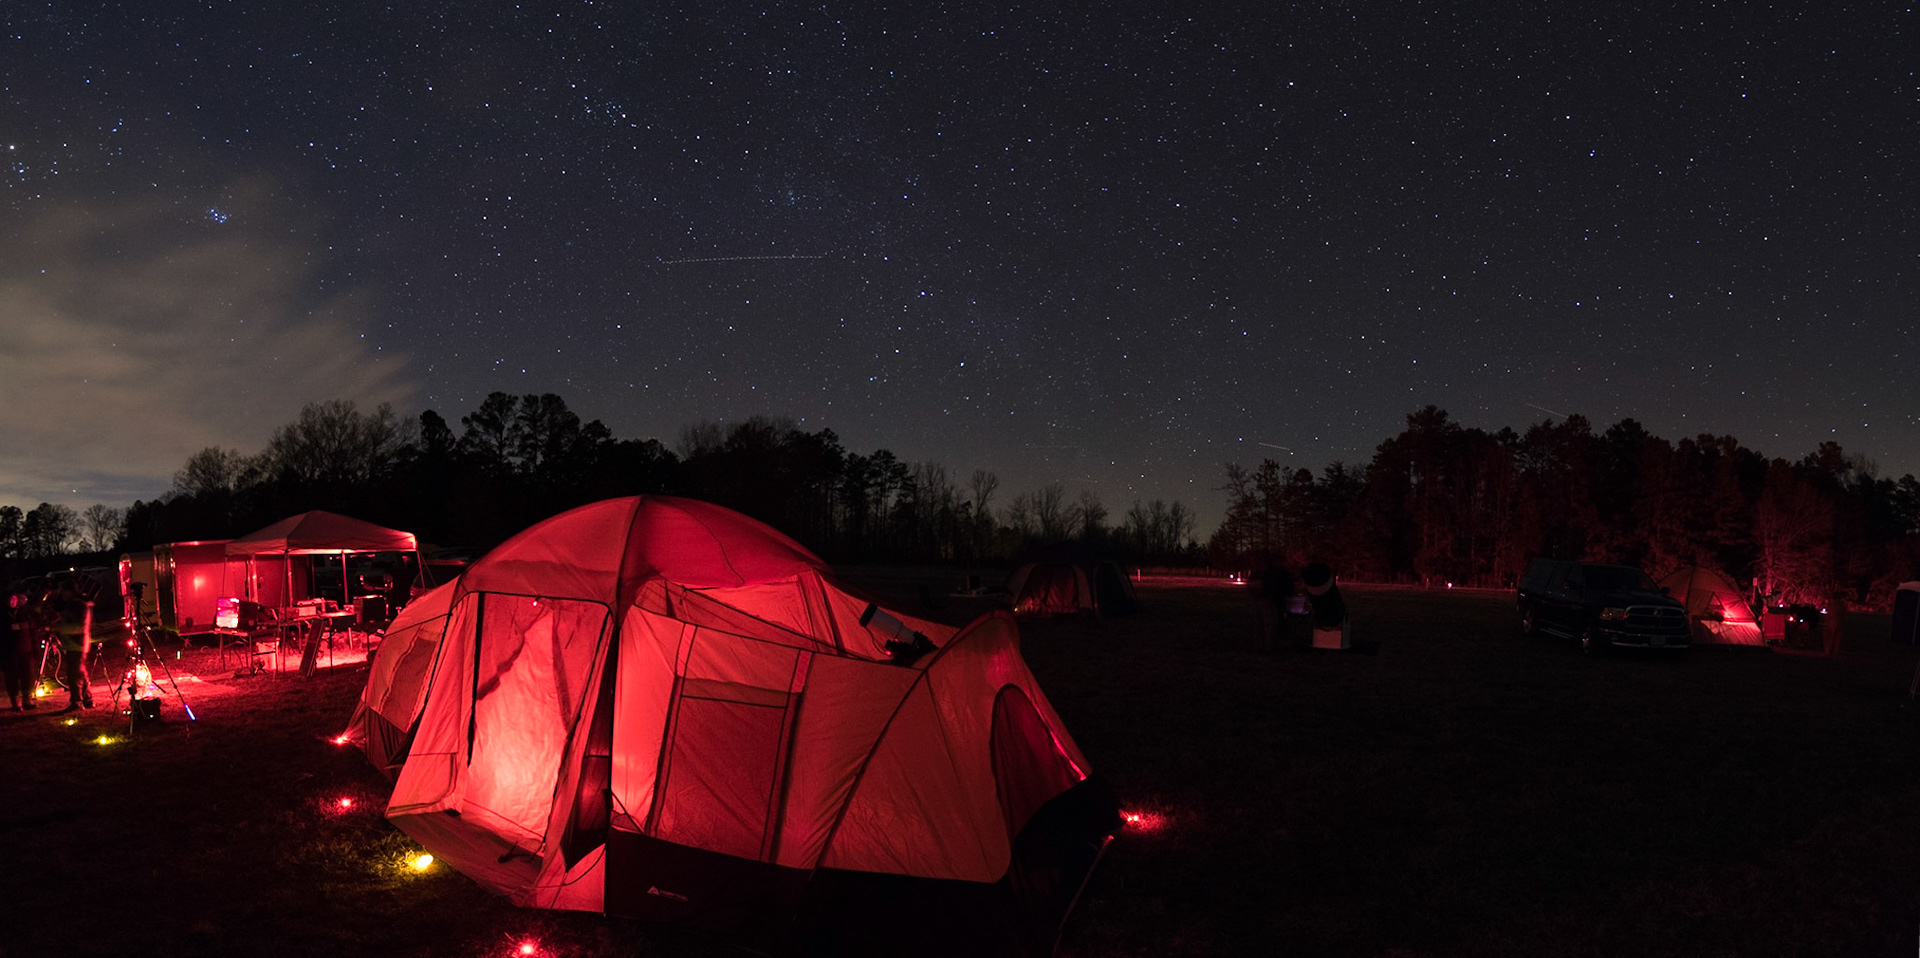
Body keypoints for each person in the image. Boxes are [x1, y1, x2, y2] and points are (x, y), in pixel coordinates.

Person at [51, 577, 94, 712]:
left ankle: (77, 702)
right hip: (78, 644)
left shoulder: (76, 605)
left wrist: (57, 628)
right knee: (81, 673)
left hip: (76, 644)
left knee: (74, 674)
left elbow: (79, 627)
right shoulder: (79, 604)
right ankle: (87, 700)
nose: (61, 594)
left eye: (63, 591)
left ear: (70, 591)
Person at [1823, 589, 1847, 657]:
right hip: (1838, 622)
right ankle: (1834, 651)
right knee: (1836, 636)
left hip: (1833, 622)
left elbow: (1831, 614)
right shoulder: (1841, 605)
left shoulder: (1834, 605)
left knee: (1831, 636)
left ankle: (1829, 650)